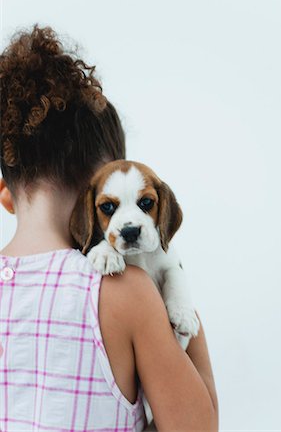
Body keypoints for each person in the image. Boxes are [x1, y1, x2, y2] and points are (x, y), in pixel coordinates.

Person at [0, 25, 218, 432]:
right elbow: (198, 427)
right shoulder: (123, 290)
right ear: (99, 184)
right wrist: (176, 281)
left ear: (6, 194)